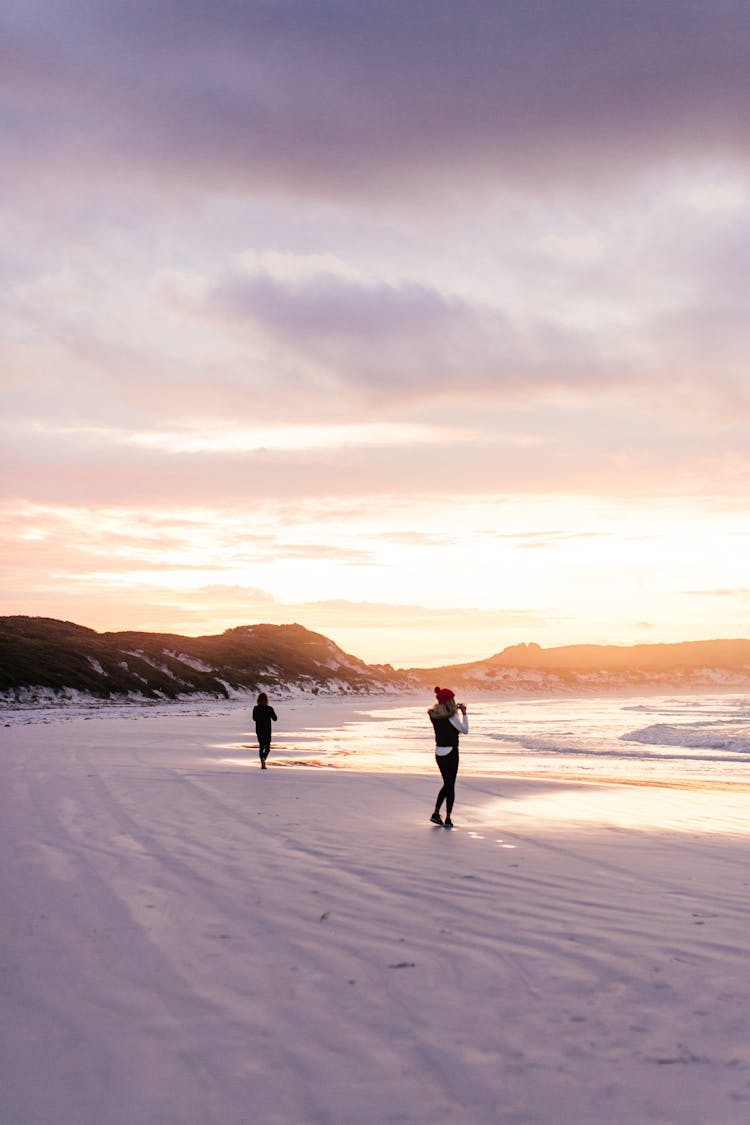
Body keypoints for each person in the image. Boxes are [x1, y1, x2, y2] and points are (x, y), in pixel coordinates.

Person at [428, 686, 468, 828]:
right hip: (451, 752)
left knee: (447, 783)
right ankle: (448, 818)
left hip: (439, 752)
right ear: (450, 701)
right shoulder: (452, 716)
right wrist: (464, 713)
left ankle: (436, 813)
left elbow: (444, 721)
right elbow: (465, 730)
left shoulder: (433, 714)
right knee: (450, 785)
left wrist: (454, 711)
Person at [252, 692, 278, 769]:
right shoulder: (269, 708)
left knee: (261, 746)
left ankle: (262, 761)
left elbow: (254, 718)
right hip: (267, 730)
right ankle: (264, 758)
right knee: (267, 748)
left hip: (259, 730)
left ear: (258, 700)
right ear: (266, 700)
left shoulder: (256, 708)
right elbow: (275, 719)